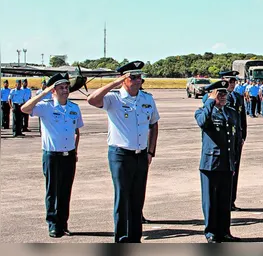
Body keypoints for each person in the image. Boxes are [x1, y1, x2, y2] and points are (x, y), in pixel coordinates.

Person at [87, 61, 160, 243]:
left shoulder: (147, 99)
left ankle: (135, 238)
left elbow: (154, 124)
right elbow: (92, 99)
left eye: (139, 77)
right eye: (132, 77)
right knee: (122, 197)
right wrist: (114, 83)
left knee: (137, 198)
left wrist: (150, 152)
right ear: (123, 79)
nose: (137, 81)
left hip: (141, 155)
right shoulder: (114, 98)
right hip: (120, 155)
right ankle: (121, 238)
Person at [21, 73, 83, 238]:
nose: (65, 90)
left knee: (65, 191)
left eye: (66, 87)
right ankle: (53, 224)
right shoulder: (45, 107)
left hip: (68, 155)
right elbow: (25, 109)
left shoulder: (74, 108)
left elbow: (77, 132)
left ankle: (63, 223)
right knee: (52, 191)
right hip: (52, 155)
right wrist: (43, 93)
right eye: (61, 88)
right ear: (53, 91)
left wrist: (75, 150)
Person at [195, 80, 242, 243]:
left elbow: (236, 139)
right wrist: (209, 100)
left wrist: (233, 161)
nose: (223, 97)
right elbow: (202, 122)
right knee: (210, 201)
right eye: (219, 94)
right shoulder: (203, 111)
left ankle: (224, 231)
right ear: (212, 95)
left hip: (227, 163)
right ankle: (211, 232)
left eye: (225, 93)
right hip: (210, 163)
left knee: (224, 200)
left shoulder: (231, 113)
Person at [220, 70, 247, 212]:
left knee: (234, 170)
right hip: (225, 140)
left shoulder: (238, 97)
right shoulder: (218, 97)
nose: (232, 84)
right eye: (230, 81)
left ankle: (231, 200)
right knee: (225, 171)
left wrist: (243, 136)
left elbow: (242, 119)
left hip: (237, 139)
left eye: (234, 81)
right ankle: (225, 200)